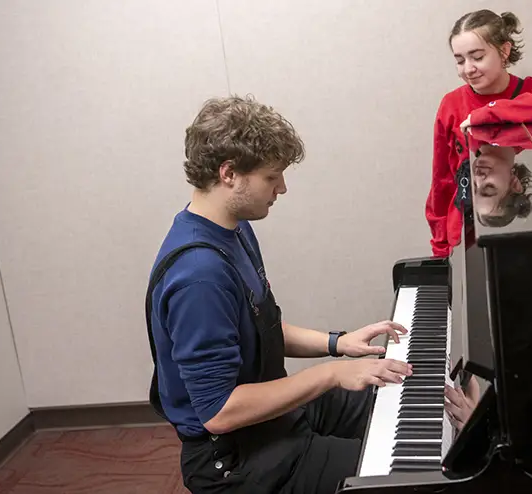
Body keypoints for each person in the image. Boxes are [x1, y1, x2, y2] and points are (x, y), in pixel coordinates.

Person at [145, 95, 414, 494]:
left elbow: (256, 327)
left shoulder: (234, 230)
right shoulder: (200, 276)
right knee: (398, 478)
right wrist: (330, 374)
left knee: (397, 406)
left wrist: (337, 344)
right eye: (272, 177)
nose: (282, 188)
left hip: (269, 417)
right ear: (229, 173)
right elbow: (218, 412)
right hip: (235, 457)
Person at [425, 9, 532, 257]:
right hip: (458, 236)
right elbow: (442, 179)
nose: (468, 69)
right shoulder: (450, 104)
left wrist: (488, 114)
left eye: (477, 57)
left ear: (504, 51)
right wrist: (441, 249)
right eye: (460, 60)